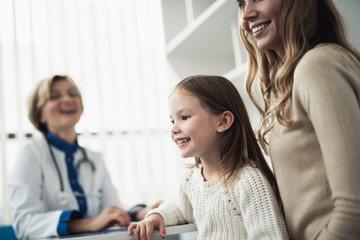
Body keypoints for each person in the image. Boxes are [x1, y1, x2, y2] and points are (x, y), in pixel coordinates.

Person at [237, 0, 360, 239]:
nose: (246, 15)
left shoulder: (317, 65)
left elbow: (353, 209)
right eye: (241, 4)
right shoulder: (293, 80)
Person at [128, 75, 289, 239]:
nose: (174, 129)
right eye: (172, 121)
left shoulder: (248, 180)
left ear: (223, 121)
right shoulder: (190, 181)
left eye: (184, 117)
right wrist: (158, 216)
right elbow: (179, 209)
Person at [8, 75, 159, 239]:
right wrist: (89, 224)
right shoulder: (30, 153)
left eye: (73, 94)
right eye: (54, 96)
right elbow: (24, 224)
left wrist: (142, 213)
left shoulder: (95, 159)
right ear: (39, 115)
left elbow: (113, 209)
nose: (67, 99)